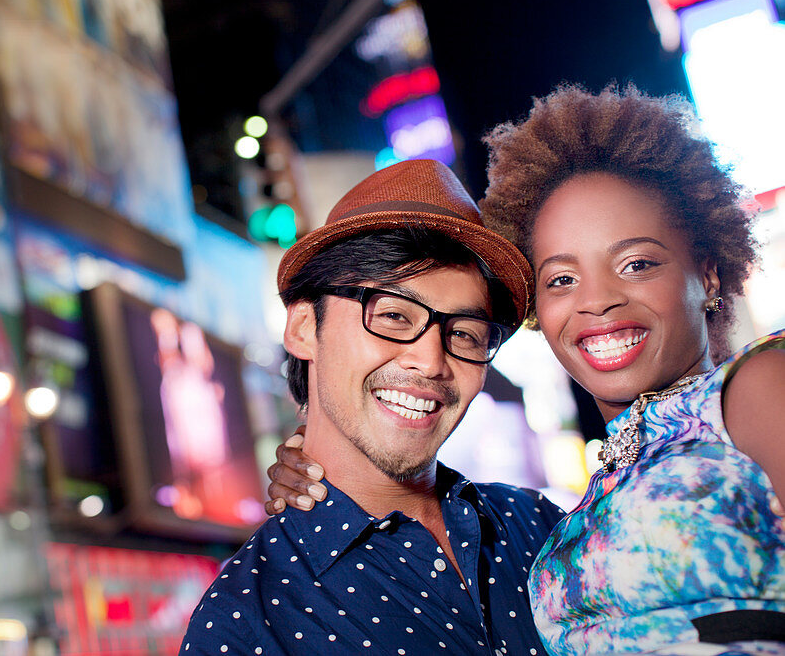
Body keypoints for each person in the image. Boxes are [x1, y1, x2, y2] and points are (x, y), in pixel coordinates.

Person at [267, 85, 785, 655]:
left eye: (636, 264)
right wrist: (325, 458)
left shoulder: (753, 392)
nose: (598, 301)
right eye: (562, 279)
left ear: (708, 275)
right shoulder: (564, 519)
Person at [181, 159, 567, 655]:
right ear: (303, 328)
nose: (430, 362)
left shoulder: (540, 527)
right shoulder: (247, 620)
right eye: (391, 315)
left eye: (464, 334)